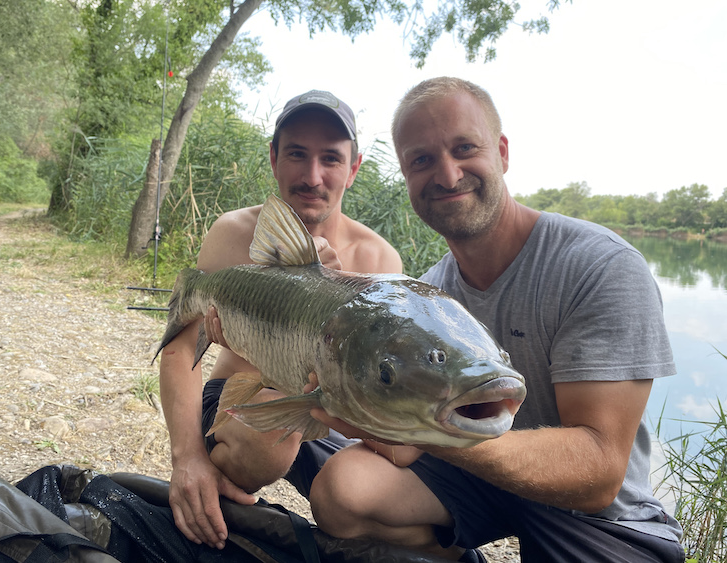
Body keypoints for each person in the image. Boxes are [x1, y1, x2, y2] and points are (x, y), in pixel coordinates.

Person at [303, 77, 686, 562]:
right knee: (344, 491)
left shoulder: (600, 265)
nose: (447, 175)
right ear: (406, 176)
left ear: (502, 153)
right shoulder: (429, 296)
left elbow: (600, 471)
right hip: (483, 480)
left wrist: (428, 429)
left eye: (464, 148)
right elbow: (406, 450)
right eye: (421, 160)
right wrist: (364, 414)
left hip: (599, 517)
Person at [158, 90, 403, 551]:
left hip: (334, 416)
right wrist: (187, 457)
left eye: (331, 159)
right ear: (273, 158)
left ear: (353, 168)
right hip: (241, 404)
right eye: (296, 154)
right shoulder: (232, 234)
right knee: (273, 432)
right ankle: (214, 501)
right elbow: (179, 349)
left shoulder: (379, 260)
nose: (313, 176)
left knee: (393, 511)